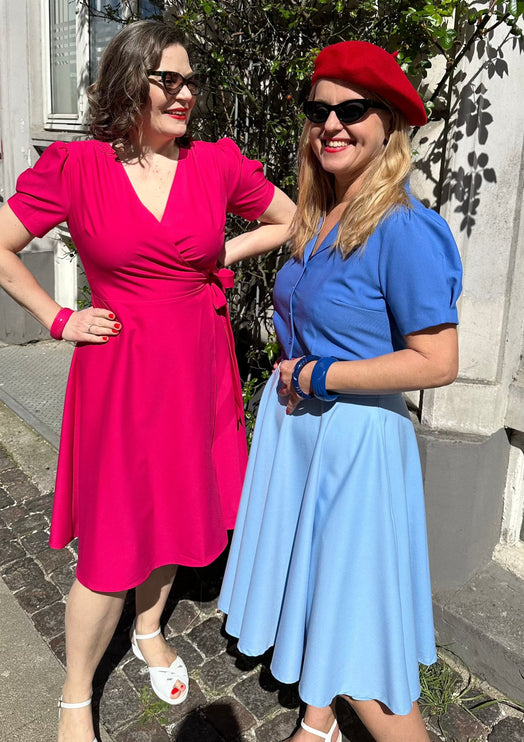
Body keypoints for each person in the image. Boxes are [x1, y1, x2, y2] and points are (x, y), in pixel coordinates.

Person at [0, 20, 295, 742]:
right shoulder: (77, 167)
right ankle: (76, 695)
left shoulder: (215, 164)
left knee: (172, 508)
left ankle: (149, 628)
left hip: (195, 366)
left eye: (192, 81)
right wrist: (59, 318)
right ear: (132, 80)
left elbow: (287, 219)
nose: (186, 93)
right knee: (111, 539)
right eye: (170, 79)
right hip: (120, 373)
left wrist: (222, 253)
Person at [218, 40, 462, 742]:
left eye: (353, 110)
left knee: (360, 638)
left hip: (354, 448)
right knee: (321, 594)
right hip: (305, 436)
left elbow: (437, 361)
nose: (331, 123)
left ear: (389, 127)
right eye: (318, 109)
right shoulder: (321, 217)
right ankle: (318, 721)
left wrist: (316, 374)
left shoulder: (405, 230)